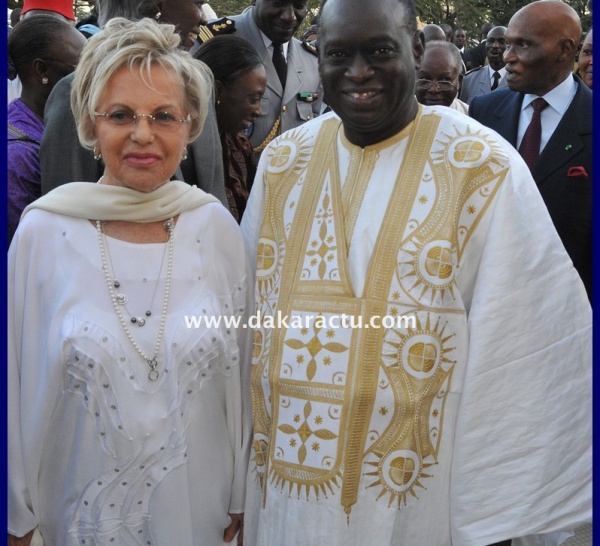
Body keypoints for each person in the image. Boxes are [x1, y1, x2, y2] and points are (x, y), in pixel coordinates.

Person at [240, 0, 592, 544]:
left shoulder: (483, 165)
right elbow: (247, 317)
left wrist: (493, 509)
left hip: (413, 497)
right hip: (282, 489)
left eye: (380, 51)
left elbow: (525, 346)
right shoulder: (283, 160)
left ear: (416, 51)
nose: (359, 72)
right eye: (339, 54)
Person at [8, 17, 250, 546]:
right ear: (91, 127)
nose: (143, 133)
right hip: (75, 515)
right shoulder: (44, 233)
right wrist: (17, 514)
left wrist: (241, 494)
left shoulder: (216, 229)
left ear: (188, 128)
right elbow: (16, 379)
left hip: (200, 513)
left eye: (164, 116)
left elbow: (241, 378)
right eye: (121, 115)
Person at [39, 0, 226, 207]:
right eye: (120, 116)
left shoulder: (198, 83)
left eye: (164, 116)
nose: (203, 18)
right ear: (157, 6)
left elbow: (213, 188)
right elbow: (67, 208)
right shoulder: (76, 90)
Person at [469, 1, 592, 301]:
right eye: (508, 44)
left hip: (571, 307)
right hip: (490, 300)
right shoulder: (483, 112)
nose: (507, 57)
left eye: (523, 45)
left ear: (565, 49)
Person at [8, 15, 86, 246]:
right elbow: (24, 250)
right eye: (80, 67)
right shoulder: (17, 158)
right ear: (41, 70)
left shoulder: (50, 125)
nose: (90, 78)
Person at [226, 0, 324, 154]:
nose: (289, 17)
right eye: (278, 3)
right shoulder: (218, 41)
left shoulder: (311, 59)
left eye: (298, 6)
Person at [194, 35, 267, 222]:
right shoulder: (183, 153)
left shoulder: (240, 147)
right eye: (253, 99)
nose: (259, 111)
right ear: (218, 91)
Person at [415, 40, 468, 113]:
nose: (434, 89)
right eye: (425, 79)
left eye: (444, 80)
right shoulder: (398, 117)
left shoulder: (471, 117)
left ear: (459, 81)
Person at [460, 26, 508, 104]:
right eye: (491, 41)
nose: (495, 45)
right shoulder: (469, 80)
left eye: (501, 42)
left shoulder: (519, 81)